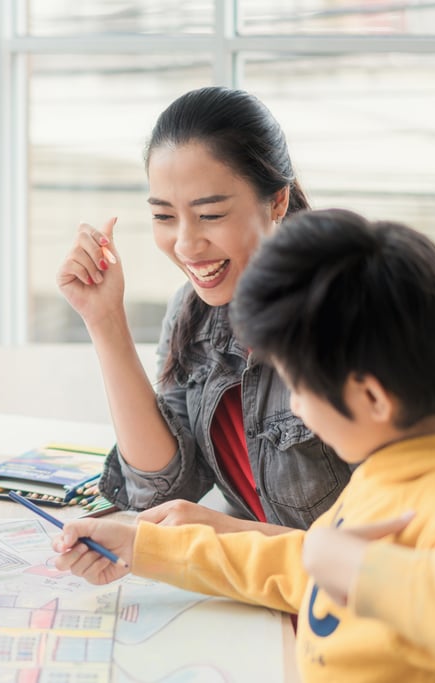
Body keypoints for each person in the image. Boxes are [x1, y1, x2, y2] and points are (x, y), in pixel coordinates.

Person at [53, 209, 435, 682]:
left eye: (299, 387)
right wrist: (147, 546)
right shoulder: (394, 462)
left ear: (371, 397)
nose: (298, 408)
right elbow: (303, 563)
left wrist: (350, 563)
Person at [56, 86, 352, 533]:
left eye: (210, 214)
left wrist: (222, 532)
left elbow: (384, 545)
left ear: (277, 201)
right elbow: (159, 491)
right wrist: (104, 319)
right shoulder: (193, 313)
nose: (186, 245)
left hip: (347, 597)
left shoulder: (349, 312)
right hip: (259, 590)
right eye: (164, 216)